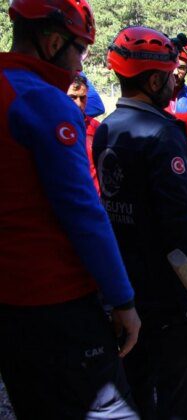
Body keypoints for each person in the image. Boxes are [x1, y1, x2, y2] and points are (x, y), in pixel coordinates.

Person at [0, 1, 141, 418]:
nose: (80, 63)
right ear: (53, 40)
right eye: (79, 50)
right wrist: (123, 299)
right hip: (56, 300)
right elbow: (83, 212)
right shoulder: (44, 102)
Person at [97, 26, 187, 418]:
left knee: (136, 387)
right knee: (180, 392)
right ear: (155, 78)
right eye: (172, 73)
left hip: (128, 287)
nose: (176, 79)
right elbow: (182, 227)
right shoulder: (162, 134)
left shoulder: (107, 130)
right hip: (172, 294)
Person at [67, 73, 102, 193]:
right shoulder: (52, 127)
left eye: (82, 98)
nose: (78, 103)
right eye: (72, 97)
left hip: (95, 200)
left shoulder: (96, 128)